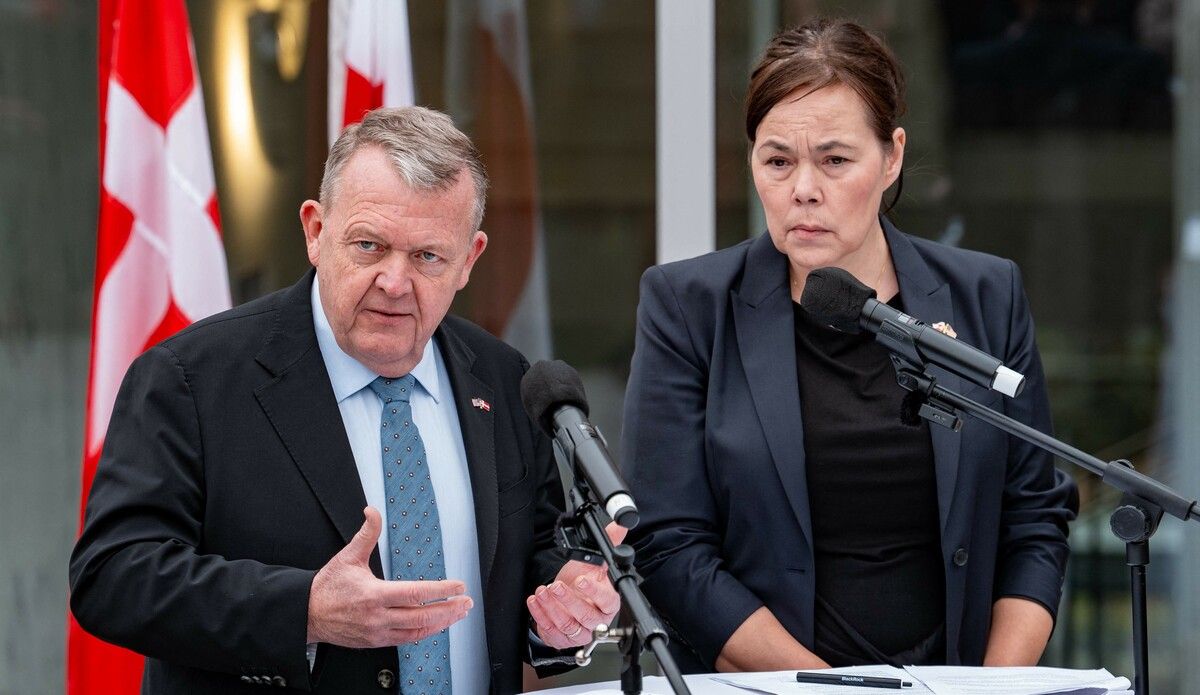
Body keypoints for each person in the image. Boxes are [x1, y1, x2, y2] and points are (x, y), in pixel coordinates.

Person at [69, 106, 618, 694]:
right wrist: (304, 609)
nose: (394, 281)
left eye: (428, 256)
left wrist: (564, 608)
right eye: (369, 246)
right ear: (314, 230)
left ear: (470, 260)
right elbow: (113, 575)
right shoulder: (192, 379)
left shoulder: (504, 379)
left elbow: (528, 560)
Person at [621, 19, 1078, 674]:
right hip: (774, 686)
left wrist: (991, 688)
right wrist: (828, 689)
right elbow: (669, 545)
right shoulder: (688, 306)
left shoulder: (986, 294)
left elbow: (1033, 517)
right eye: (777, 160)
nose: (803, 188)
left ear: (891, 156)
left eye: (835, 160)